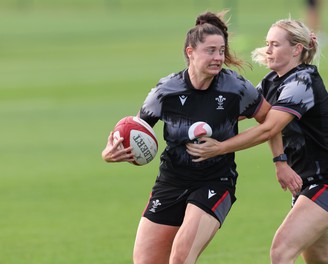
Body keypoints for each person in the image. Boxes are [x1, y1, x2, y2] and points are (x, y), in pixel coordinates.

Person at [186, 18, 328, 263]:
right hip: (304, 182)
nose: (268, 50)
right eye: (267, 43)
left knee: (282, 250)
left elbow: (269, 129)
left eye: (275, 44)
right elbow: (236, 111)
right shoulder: (271, 81)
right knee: (321, 256)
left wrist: (220, 148)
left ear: (296, 49)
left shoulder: (302, 82)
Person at [101, 10, 275, 264]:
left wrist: (278, 160)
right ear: (190, 52)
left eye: (221, 51)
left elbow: (270, 123)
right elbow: (136, 128)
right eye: (211, 51)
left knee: (181, 257)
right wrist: (111, 153)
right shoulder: (165, 91)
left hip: (215, 181)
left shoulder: (235, 88)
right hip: (171, 181)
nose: (218, 58)